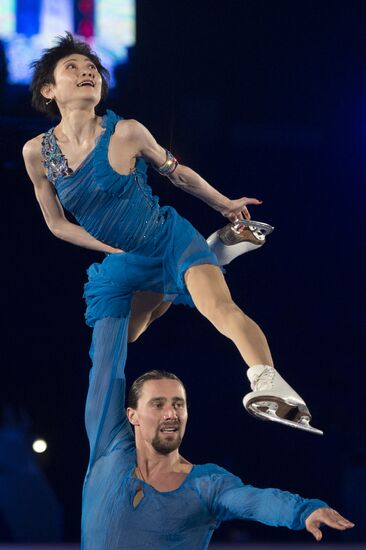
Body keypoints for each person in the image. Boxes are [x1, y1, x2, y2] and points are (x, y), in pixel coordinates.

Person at [23, 32, 318, 432]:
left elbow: (177, 175)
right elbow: (56, 224)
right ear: (49, 89)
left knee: (219, 309)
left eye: (91, 67)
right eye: (72, 68)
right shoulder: (37, 152)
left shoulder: (127, 132)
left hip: (168, 239)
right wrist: (108, 249)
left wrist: (225, 203)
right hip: (125, 260)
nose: (86, 71)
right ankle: (221, 249)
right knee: (125, 337)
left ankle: (270, 383)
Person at [80, 269, 354, 549]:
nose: (171, 413)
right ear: (132, 416)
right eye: (158, 404)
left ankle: (186, 269)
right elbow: (105, 364)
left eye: (178, 404)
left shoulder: (206, 485)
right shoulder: (109, 445)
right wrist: (117, 288)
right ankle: (180, 270)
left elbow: (255, 501)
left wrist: (302, 511)